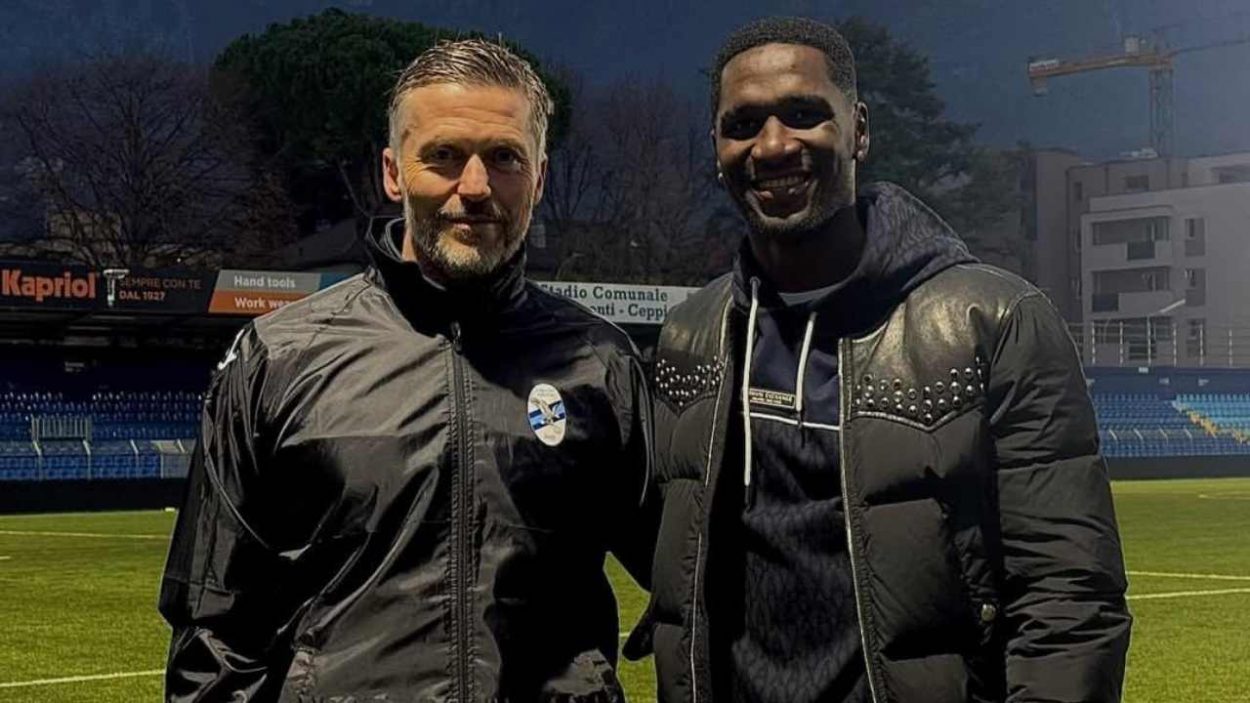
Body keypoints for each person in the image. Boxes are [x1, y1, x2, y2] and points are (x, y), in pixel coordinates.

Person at [627, 16, 1131, 703]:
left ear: (858, 128)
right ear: (717, 147)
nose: (772, 145)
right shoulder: (690, 337)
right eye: (742, 124)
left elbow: (1071, 602)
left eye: (804, 115)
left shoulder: (995, 322)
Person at [160, 38, 656, 702]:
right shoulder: (278, 359)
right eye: (444, 156)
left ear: (538, 176)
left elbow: (693, 577)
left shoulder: (602, 364)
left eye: (504, 158)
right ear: (393, 173)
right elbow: (214, 629)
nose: (474, 187)